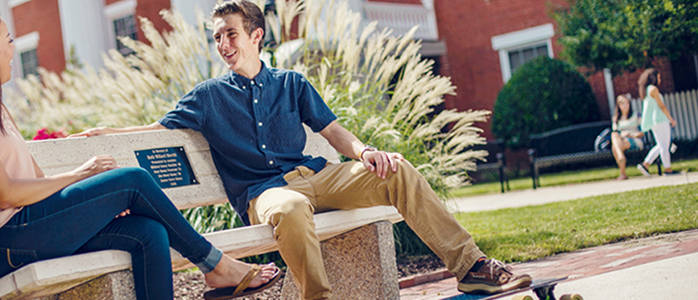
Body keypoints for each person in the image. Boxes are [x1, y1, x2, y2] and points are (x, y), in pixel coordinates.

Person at [73, 1, 531, 299]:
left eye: (230, 34)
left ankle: (470, 265)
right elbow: (154, 130)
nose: (222, 44)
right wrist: (104, 133)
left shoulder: (291, 83)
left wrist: (366, 150)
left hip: (318, 175)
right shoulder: (207, 96)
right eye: (216, 37)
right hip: (265, 193)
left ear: (256, 36)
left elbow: (333, 133)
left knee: (398, 169)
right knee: (291, 207)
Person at [0, 8, 280, 300]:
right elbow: (4, 194)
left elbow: (35, 181)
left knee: (147, 232)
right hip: (2, 244)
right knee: (134, 179)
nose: (12, 50)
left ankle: (215, 268)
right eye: (7, 41)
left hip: (27, 227)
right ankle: (215, 266)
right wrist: (84, 174)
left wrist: (100, 202)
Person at [636, 69, 680, 177]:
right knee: (664, 146)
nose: (660, 80)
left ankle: (645, 164)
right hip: (660, 119)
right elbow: (662, 106)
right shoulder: (653, 89)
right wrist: (671, 119)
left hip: (654, 122)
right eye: (659, 77)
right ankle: (667, 169)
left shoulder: (646, 90)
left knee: (661, 145)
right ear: (653, 78)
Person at [610, 94, 644, 180]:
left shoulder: (636, 115)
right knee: (614, 136)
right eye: (622, 104)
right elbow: (615, 132)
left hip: (635, 139)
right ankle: (621, 156)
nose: (625, 106)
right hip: (622, 140)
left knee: (615, 147)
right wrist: (622, 134)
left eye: (627, 103)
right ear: (618, 106)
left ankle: (623, 173)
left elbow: (643, 132)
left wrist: (633, 134)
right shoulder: (616, 119)